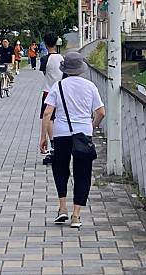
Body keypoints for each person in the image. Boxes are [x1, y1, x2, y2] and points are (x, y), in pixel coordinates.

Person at [41, 52, 105, 228]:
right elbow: (101, 112)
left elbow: (47, 113)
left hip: (61, 134)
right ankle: (76, 216)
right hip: (83, 134)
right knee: (82, 173)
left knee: (60, 169)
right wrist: (91, 127)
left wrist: (44, 137)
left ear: (66, 69)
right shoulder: (90, 86)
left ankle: (62, 208)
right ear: (81, 68)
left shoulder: (58, 86)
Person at [39, 33, 63, 157]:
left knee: (48, 118)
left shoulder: (44, 59)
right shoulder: (61, 58)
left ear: (45, 43)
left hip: (48, 91)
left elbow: (44, 72)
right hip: (62, 91)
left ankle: (53, 142)